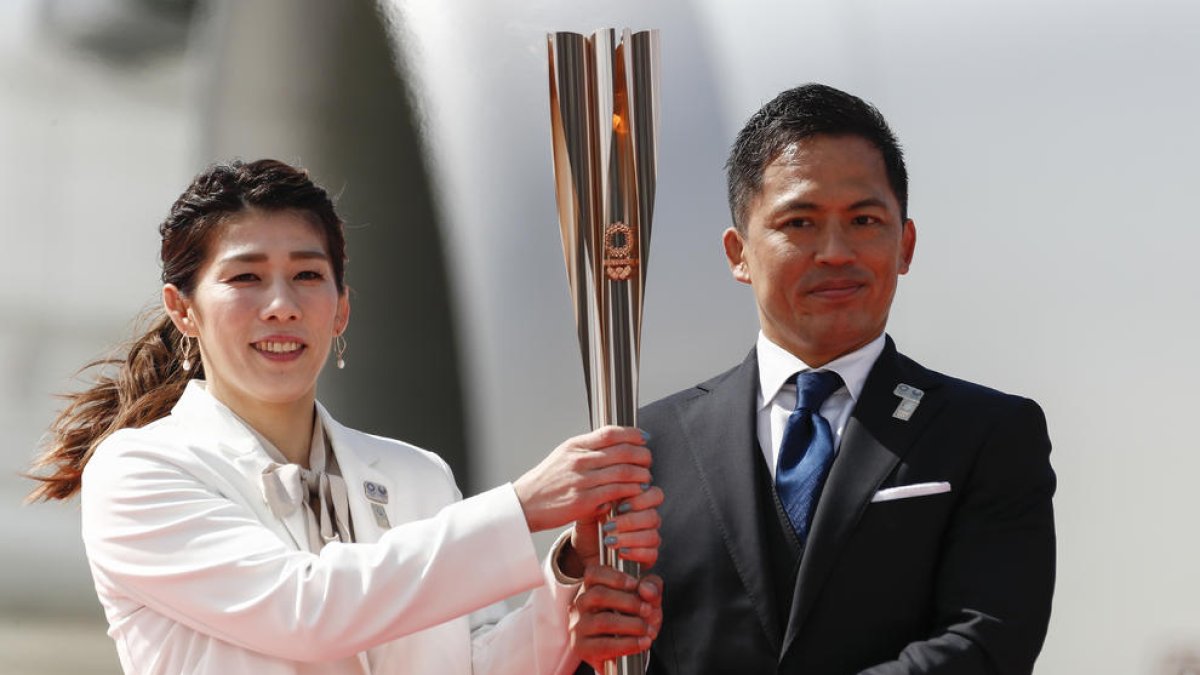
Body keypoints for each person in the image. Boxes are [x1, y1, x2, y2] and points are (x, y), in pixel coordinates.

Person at [28, 159, 664, 675]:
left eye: (308, 274)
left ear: (341, 309)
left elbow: (470, 667)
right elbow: (306, 610)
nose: (281, 305)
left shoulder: (417, 475)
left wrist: (569, 588)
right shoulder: (141, 469)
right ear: (182, 308)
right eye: (246, 277)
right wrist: (522, 506)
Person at [641, 84, 1056, 674]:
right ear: (739, 253)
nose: (835, 252)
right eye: (800, 222)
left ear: (905, 243)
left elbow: (986, 641)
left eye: (864, 219)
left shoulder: (988, 433)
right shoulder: (649, 445)